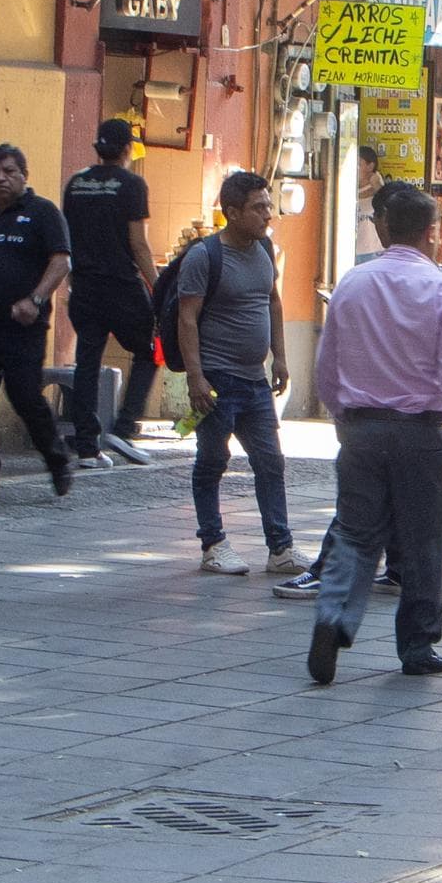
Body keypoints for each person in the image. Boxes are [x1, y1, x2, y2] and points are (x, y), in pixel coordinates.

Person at [304, 180, 442, 682]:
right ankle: (418, 646)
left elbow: (327, 365)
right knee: (425, 539)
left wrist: (342, 417)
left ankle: (333, 614)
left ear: (385, 230)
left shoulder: (352, 284)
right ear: (431, 232)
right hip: (419, 432)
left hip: (361, 430)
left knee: (356, 533)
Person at [178, 168, 295, 578]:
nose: (268, 214)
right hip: (217, 379)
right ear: (232, 211)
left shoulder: (264, 249)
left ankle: (280, 548)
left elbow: (273, 303)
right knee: (212, 460)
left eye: (268, 204)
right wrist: (196, 377)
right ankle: (213, 544)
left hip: (254, 379)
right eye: (259, 207)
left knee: (270, 462)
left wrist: (280, 357)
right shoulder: (204, 256)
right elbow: (187, 319)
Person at [0, 145, 73, 504]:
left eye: (8, 171)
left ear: (24, 175)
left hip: (23, 329)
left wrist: (35, 300)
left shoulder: (42, 213)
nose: (1, 178)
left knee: (24, 398)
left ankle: (56, 458)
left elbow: (61, 262)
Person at [60, 119, 159, 465]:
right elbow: (139, 245)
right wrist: (158, 288)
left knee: (87, 361)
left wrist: (72, 281)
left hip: (84, 286)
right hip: (121, 286)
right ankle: (125, 427)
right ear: (128, 149)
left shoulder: (75, 184)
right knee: (150, 350)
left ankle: (88, 446)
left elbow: (66, 238)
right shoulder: (132, 185)